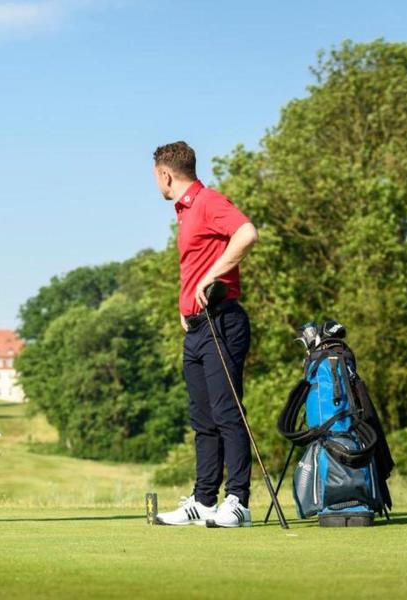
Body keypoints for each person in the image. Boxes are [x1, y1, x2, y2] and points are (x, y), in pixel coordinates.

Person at [152, 141, 259, 528]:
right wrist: (185, 307)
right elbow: (195, 264)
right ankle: (204, 500)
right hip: (197, 328)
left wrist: (212, 276)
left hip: (222, 322)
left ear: (165, 174)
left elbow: (247, 233)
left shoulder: (208, 201)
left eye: (156, 177)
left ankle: (239, 502)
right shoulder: (184, 212)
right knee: (203, 419)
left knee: (227, 413)